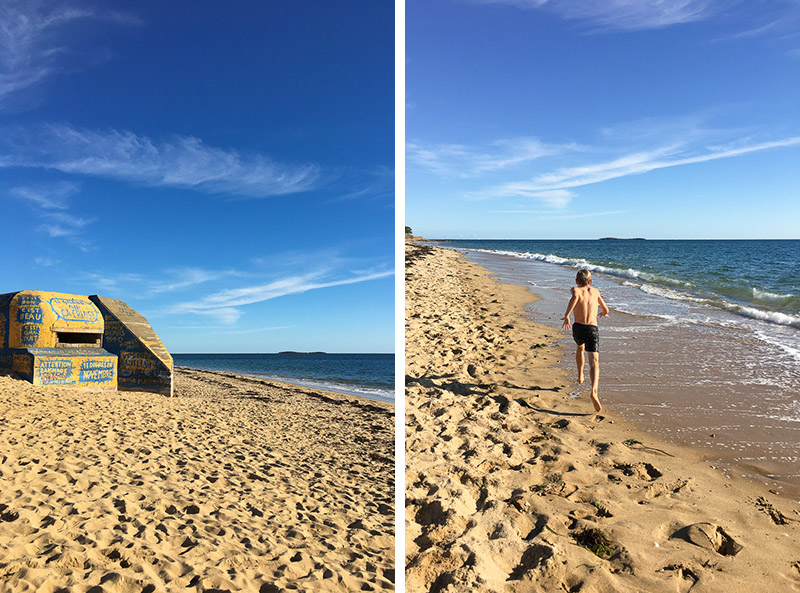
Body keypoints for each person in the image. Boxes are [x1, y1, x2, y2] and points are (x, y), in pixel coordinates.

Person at [561, 269, 610, 413]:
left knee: (579, 348)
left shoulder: (575, 290)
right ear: (591, 281)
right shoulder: (595, 291)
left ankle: (580, 374)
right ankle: (594, 391)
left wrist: (566, 315)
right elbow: (606, 309)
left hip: (578, 328)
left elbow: (574, 298)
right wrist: (603, 313)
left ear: (577, 281)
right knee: (594, 362)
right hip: (592, 329)